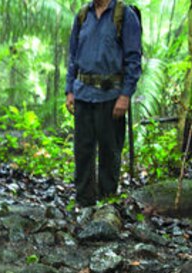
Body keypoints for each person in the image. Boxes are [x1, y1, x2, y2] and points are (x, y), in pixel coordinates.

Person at [65, 0, 142, 209]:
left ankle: (107, 202)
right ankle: (84, 201)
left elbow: (134, 60)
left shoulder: (124, 15)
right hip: (83, 94)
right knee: (83, 150)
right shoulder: (82, 16)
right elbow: (73, 56)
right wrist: (69, 90)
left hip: (111, 96)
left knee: (110, 150)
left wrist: (125, 95)